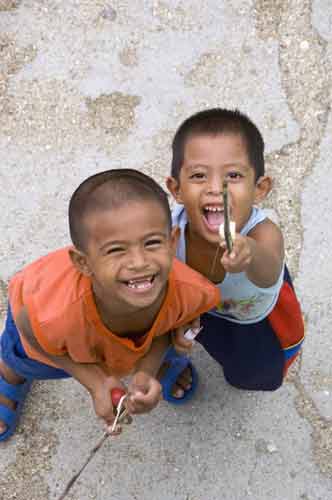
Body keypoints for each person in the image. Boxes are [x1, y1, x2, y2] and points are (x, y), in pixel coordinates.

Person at [0, 168, 220, 441]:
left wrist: (146, 370)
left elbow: (171, 326)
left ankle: (154, 367)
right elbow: (28, 327)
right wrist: (94, 382)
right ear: (84, 263)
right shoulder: (55, 314)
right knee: (26, 357)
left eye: (152, 243)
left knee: (167, 336)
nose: (139, 262)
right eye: (116, 250)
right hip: (35, 318)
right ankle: (9, 373)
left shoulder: (191, 292)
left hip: (115, 340)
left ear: (172, 242)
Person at [166, 108, 305, 396]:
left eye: (233, 175)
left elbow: (268, 273)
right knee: (206, 343)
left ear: (260, 188)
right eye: (199, 175)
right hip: (205, 313)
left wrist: (250, 252)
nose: (216, 188)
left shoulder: (263, 234)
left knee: (253, 371)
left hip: (255, 321)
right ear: (176, 189)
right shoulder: (169, 230)